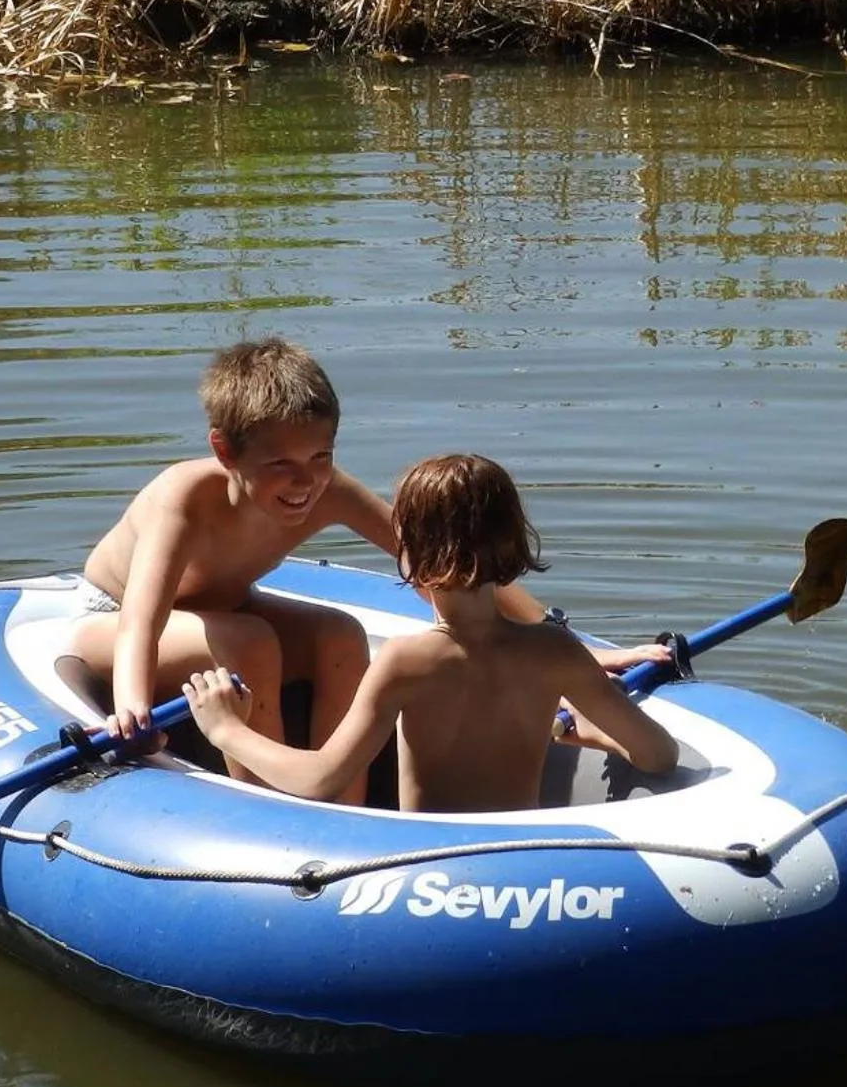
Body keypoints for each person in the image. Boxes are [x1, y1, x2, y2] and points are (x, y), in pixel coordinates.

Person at [73, 340, 667, 803]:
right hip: (114, 620)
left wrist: (579, 649)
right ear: (226, 452)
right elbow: (141, 622)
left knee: (340, 635)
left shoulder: (328, 490)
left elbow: (447, 556)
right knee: (249, 641)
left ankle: (345, 810)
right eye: (280, 464)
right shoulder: (185, 499)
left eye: (321, 456)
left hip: (225, 608)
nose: (305, 481)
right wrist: (131, 709)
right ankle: (265, 805)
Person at [181, 453, 679, 813]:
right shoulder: (556, 652)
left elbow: (321, 778)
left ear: (411, 555)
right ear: (511, 542)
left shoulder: (406, 662)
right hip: (519, 856)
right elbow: (659, 755)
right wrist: (595, 737)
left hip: (434, 866)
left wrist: (226, 729)